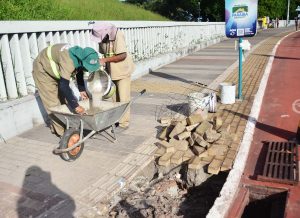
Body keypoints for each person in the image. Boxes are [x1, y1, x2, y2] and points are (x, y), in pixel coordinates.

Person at [32, 43, 100, 136]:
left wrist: (81, 90)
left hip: (55, 70)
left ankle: (65, 125)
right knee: (54, 105)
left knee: (64, 101)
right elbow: (64, 86)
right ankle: (63, 133)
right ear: (82, 60)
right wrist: (76, 106)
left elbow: (79, 70)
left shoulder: (80, 55)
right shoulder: (69, 61)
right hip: (43, 70)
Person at [91, 22, 135, 130]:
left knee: (124, 98)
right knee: (115, 99)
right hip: (111, 72)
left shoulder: (118, 35)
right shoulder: (103, 38)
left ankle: (124, 123)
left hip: (123, 71)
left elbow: (122, 55)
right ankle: (117, 119)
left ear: (106, 33)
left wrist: (105, 60)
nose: (100, 40)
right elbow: (103, 53)